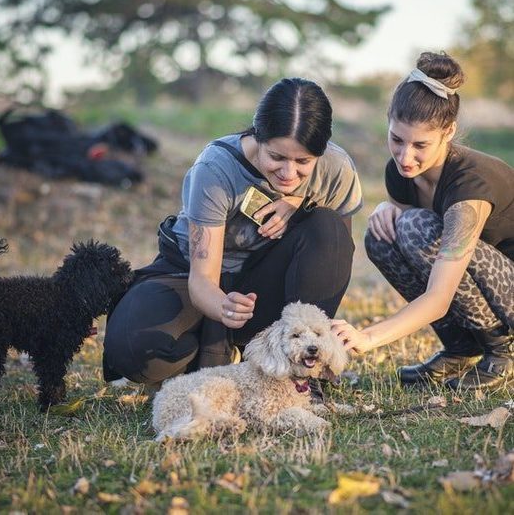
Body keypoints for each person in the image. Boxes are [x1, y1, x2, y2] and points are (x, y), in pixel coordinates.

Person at [103, 77, 362, 390]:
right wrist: (224, 307)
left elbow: (335, 254)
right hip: (194, 280)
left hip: (265, 285)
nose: (288, 173)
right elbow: (203, 282)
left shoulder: (337, 168)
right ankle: (214, 354)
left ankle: (295, 374)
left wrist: (303, 206)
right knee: (136, 352)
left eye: (303, 162)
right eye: (276, 157)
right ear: (258, 135)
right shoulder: (216, 169)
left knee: (329, 227)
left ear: (320, 153)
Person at [333, 52, 514, 390]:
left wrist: (369, 337)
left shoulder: (469, 186)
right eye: (396, 139)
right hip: (486, 285)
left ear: (449, 132)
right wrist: (391, 210)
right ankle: (462, 347)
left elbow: (440, 295)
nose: (405, 156)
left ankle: (503, 351)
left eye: (420, 145)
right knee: (382, 235)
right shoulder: (400, 173)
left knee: (416, 229)